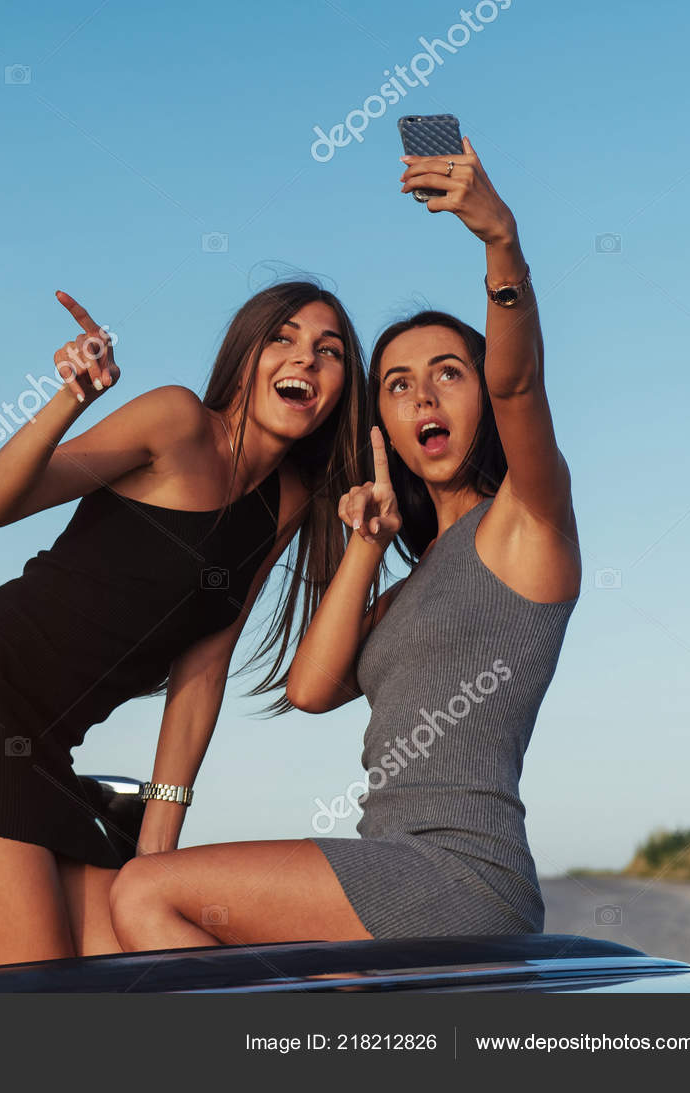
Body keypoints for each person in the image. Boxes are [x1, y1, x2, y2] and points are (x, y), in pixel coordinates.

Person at [109, 138, 580, 950]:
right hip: (394, 866)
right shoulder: (419, 575)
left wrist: (500, 240)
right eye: (397, 384)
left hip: (461, 873)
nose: (422, 394)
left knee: (149, 891)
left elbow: (520, 382)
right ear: (383, 426)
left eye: (448, 373)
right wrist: (365, 543)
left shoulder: (528, 522)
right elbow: (311, 687)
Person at [0, 282, 369, 965]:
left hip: (43, 747)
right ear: (245, 356)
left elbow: (205, 664)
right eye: (282, 338)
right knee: (43, 997)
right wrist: (75, 395)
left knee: (127, 973)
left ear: (341, 386)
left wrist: (162, 836)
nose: (303, 359)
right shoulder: (176, 421)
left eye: (327, 351)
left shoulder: (288, 500)